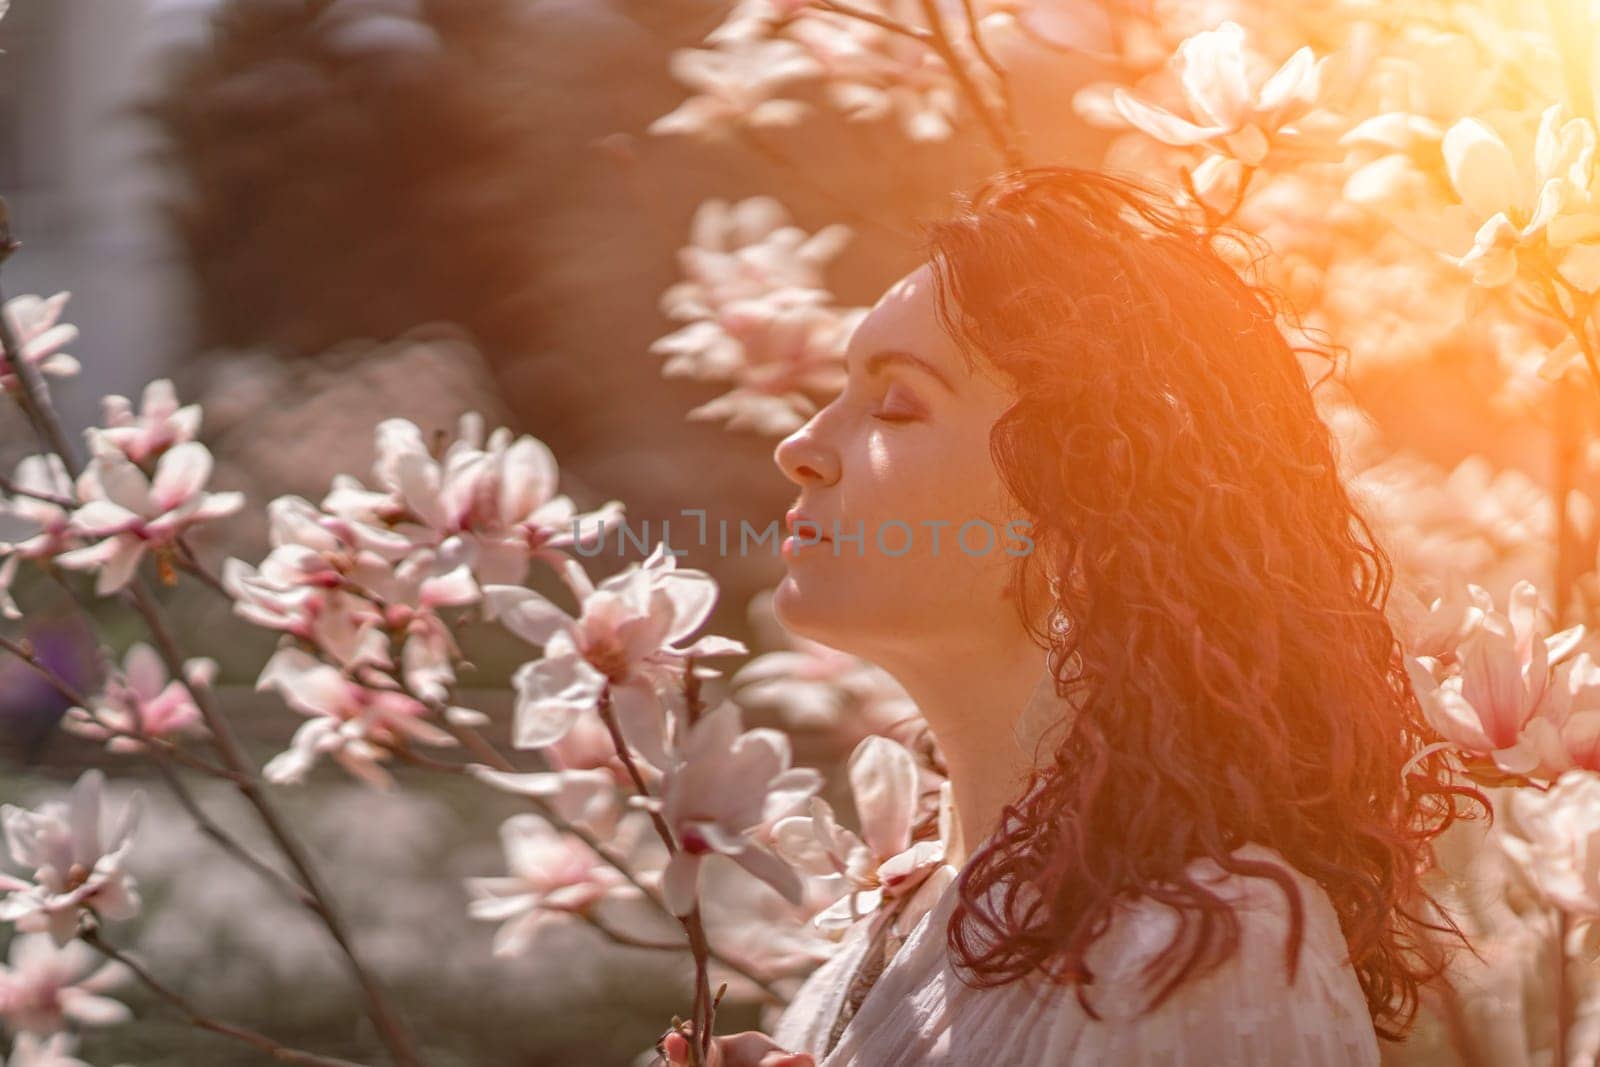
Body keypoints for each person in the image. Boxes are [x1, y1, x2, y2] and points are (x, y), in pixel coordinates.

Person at [657, 165, 1483, 1066]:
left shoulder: (1205, 950)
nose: (800, 446)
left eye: (895, 405)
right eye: (839, 393)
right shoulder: (894, 927)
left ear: (1086, 510)